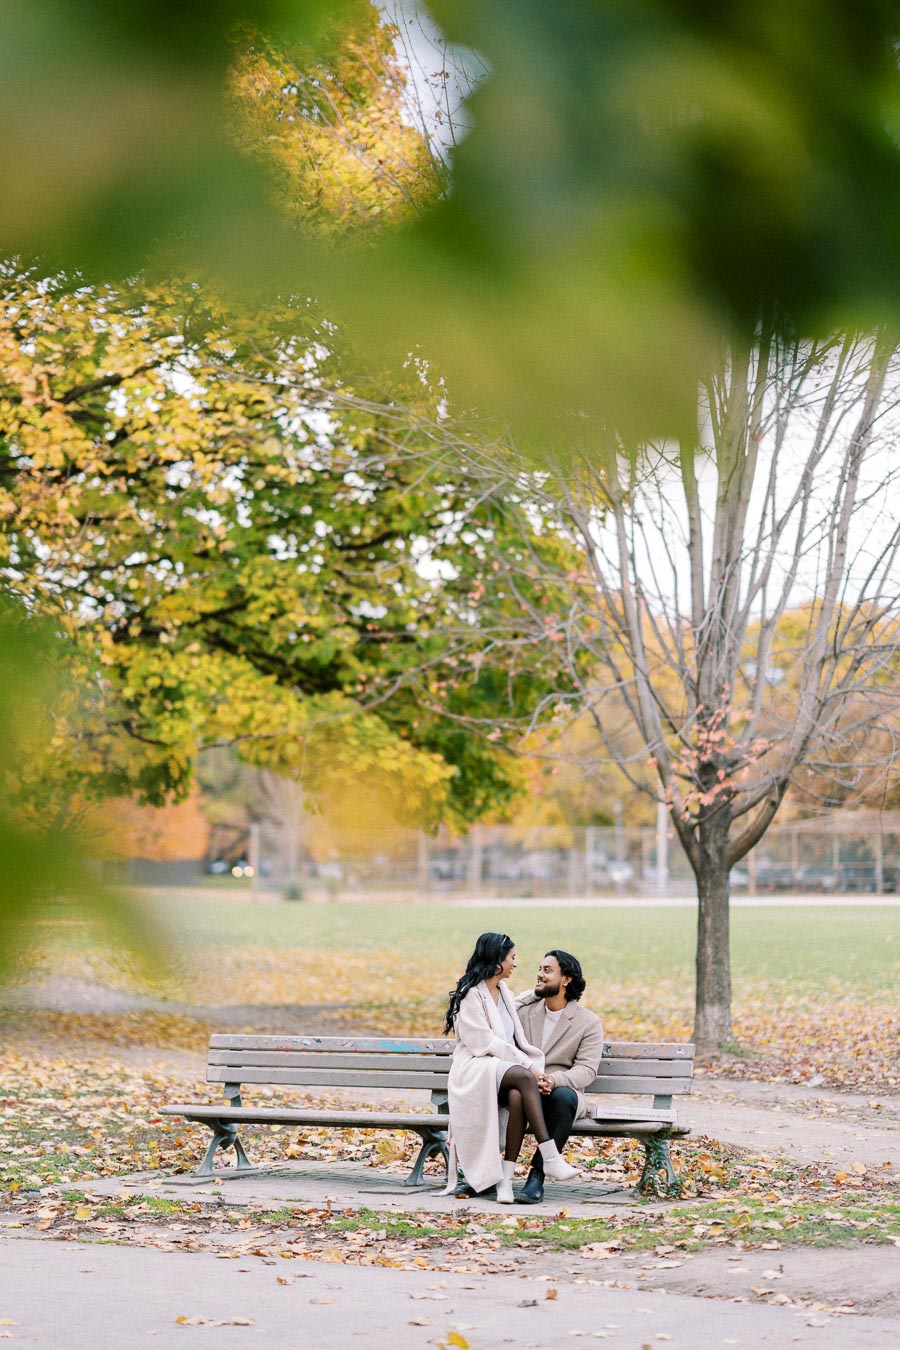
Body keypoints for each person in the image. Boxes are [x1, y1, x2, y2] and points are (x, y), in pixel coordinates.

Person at [441, 932, 580, 1204]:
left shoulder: (504, 992)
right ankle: (550, 1156)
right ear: (497, 963)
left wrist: (538, 992)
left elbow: (514, 1010)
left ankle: (505, 1180)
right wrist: (528, 1064)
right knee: (525, 1077)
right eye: (512, 958)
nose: (516, 964)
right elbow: (486, 1043)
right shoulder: (470, 995)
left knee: (518, 1096)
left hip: (499, 1069)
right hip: (474, 1069)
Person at [513, 949, 604, 1204]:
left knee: (562, 1097)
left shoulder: (589, 1022)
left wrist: (554, 1080)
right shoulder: (523, 1013)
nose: (539, 975)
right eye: (540, 969)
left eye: (547, 970)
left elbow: (586, 1070)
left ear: (566, 980)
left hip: (561, 1094)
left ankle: (536, 1176)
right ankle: (484, 1175)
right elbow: (503, 1013)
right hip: (522, 1087)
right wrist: (531, 1077)